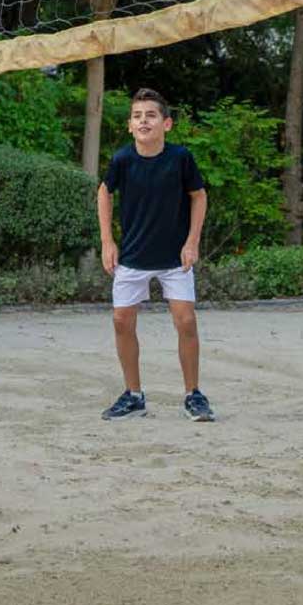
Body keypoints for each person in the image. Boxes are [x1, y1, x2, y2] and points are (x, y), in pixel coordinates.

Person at [97, 88, 214, 423]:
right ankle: (134, 396)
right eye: (137, 116)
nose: (143, 120)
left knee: (186, 321)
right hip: (132, 255)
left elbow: (199, 196)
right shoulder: (122, 160)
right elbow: (104, 192)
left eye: (150, 115)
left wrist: (192, 241)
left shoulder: (180, 158)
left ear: (167, 124)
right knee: (121, 321)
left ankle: (193, 395)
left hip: (175, 258)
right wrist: (108, 242)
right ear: (129, 126)